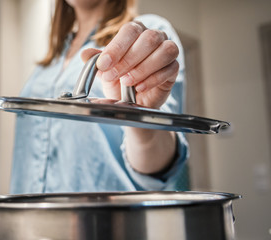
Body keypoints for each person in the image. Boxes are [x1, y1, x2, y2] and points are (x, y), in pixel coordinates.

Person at [11, 0, 188, 193]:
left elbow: (161, 166)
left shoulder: (145, 35)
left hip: (105, 218)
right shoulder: (49, 61)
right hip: (25, 216)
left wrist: (142, 119)